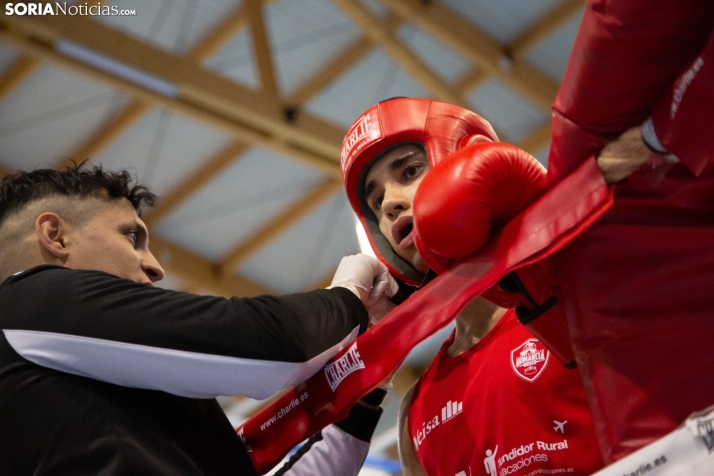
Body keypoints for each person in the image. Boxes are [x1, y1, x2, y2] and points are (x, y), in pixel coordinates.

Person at [0, 163, 396, 476]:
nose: (154, 267)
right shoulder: (25, 302)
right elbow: (276, 347)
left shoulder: (87, 390)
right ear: (56, 236)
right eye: (131, 237)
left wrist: (362, 395)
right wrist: (347, 297)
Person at [339, 97, 604, 476]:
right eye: (378, 201)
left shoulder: (577, 301)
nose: (391, 205)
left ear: (473, 160)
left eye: (410, 172)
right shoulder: (415, 409)